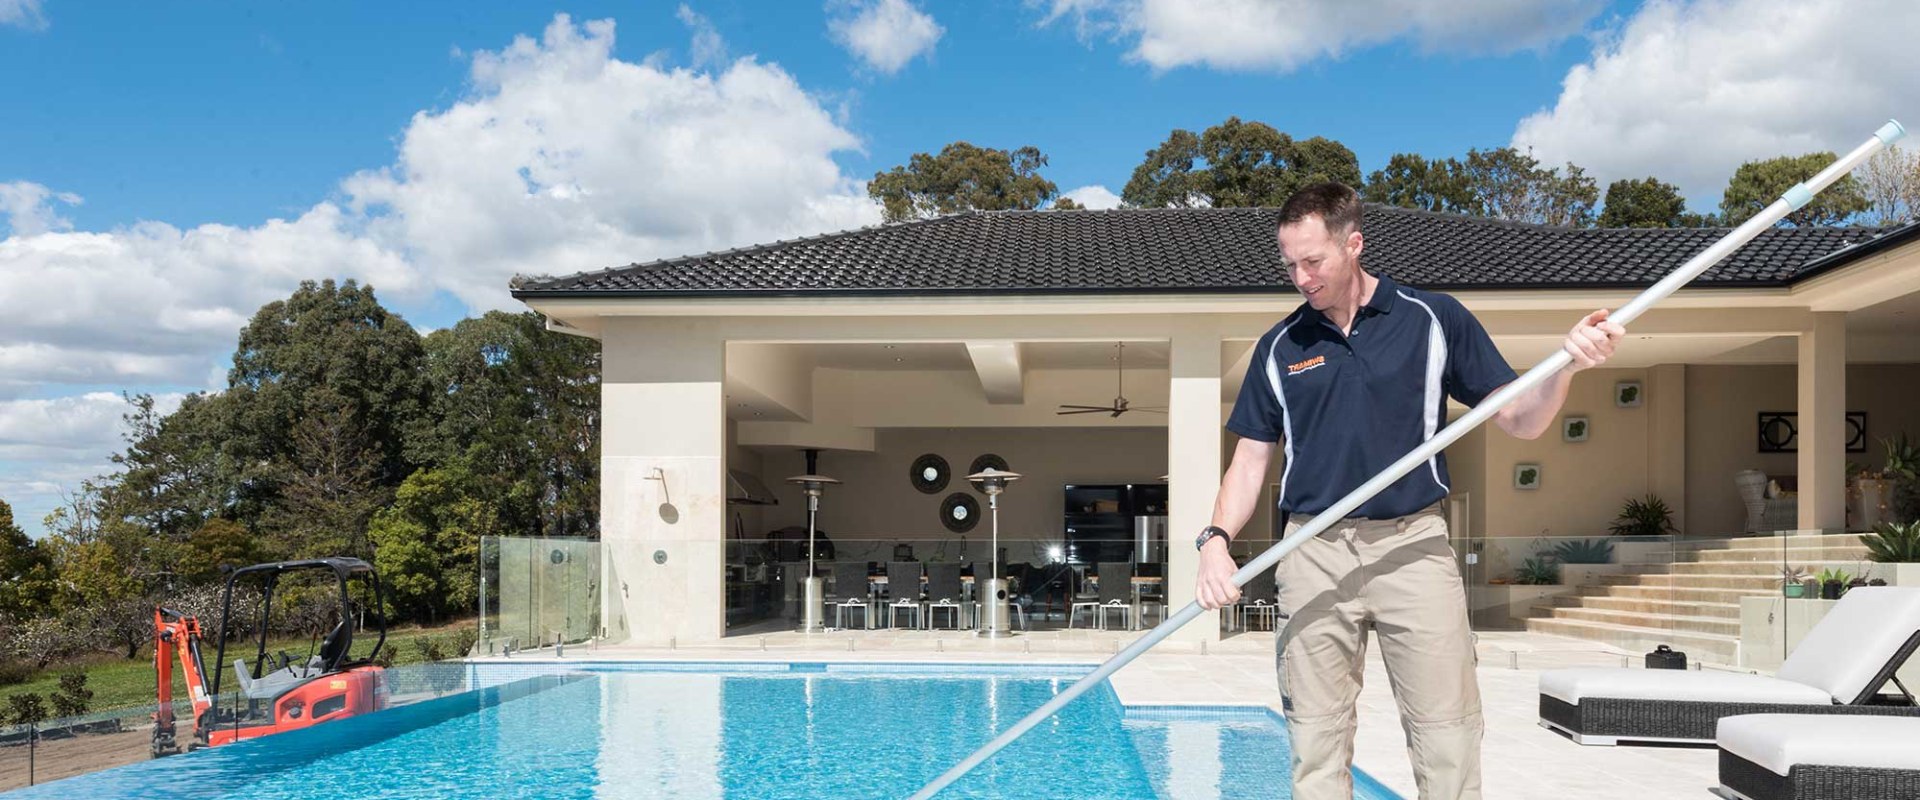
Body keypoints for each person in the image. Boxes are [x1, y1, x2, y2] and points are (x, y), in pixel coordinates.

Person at [1192, 183, 1624, 799]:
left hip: (1414, 547)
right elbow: (1249, 461)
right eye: (1289, 264)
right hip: (1312, 552)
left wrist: (1568, 365)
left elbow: (1521, 419)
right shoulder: (1280, 348)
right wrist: (1214, 541)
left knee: (1447, 736)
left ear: (1354, 244)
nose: (1300, 276)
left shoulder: (1433, 319)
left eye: (1312, 260)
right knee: (1315, 742)